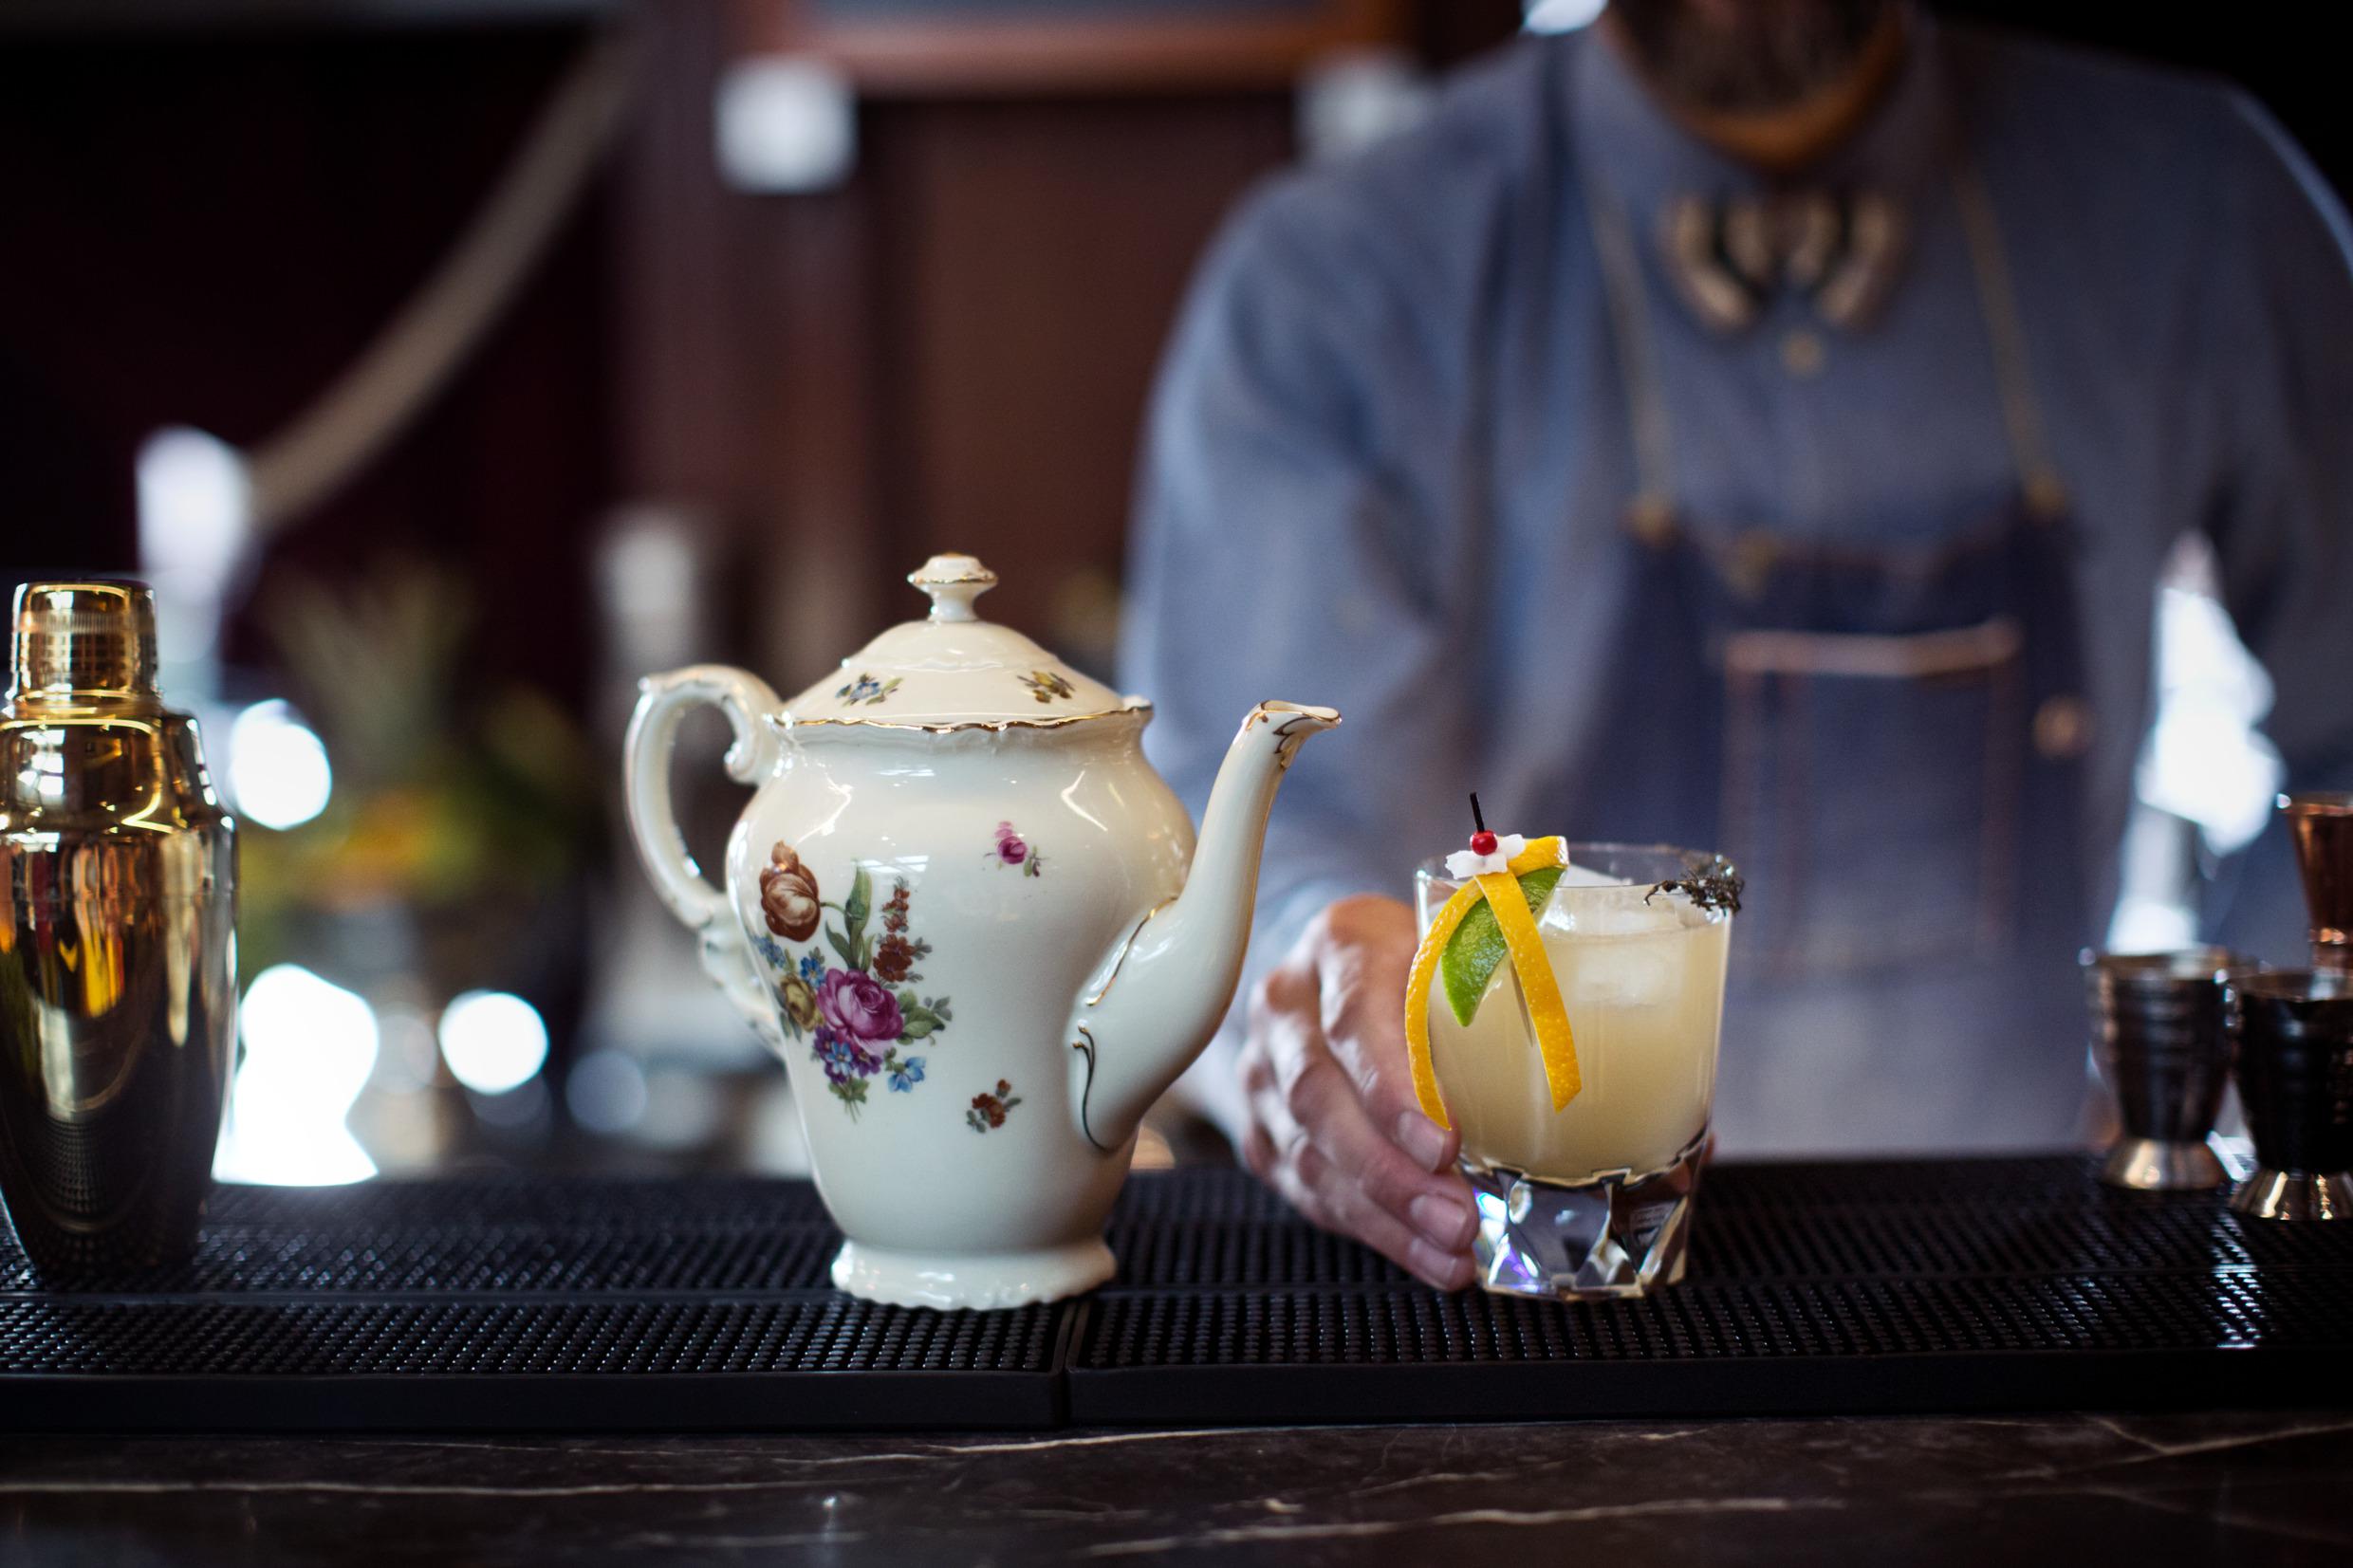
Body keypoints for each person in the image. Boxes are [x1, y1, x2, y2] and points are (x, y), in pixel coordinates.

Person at [1119, 0, 2353, 1289]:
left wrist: (2219, 1078)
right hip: (1542, 1307)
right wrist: (1317, 989)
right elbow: (1269, 832)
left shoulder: (2199, 196)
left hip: (2028, 1291)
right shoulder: (1334, 279)